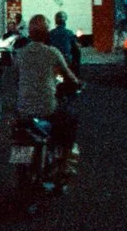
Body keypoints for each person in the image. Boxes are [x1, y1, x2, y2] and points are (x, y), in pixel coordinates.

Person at [5, 14, 81, 151]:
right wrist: (77, 83)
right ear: (47, 33)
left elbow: (15, 78)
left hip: (23, 108)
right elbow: (70, 77)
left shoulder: (20, 54)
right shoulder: (52, 53)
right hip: (47, 107)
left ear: (29, 33)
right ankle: (65, 157)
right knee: (70, 117)